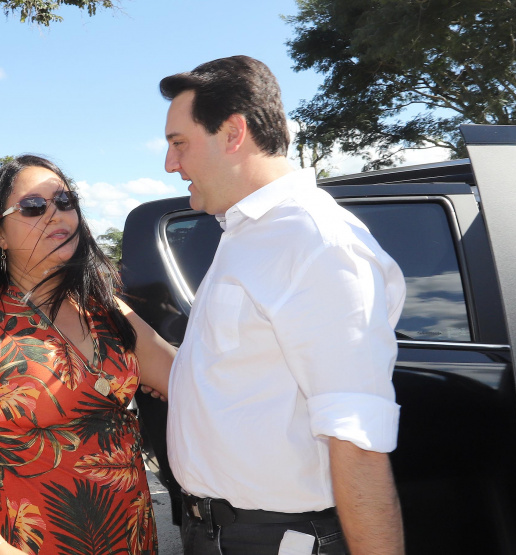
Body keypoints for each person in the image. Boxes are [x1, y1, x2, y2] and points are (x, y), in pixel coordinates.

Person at [160, 56, 407, 554]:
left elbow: (356, 440)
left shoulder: (316, 243)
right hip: (221, 533)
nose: (170, 164)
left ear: (233, 133)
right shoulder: (248, 234)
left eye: (178, 143)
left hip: (277, 540)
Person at [0, 155, 175, 555]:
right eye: (33, 206)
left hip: (129, 537)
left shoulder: (106, 310)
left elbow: (183, 376)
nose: (55, 214)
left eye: (65, 202)